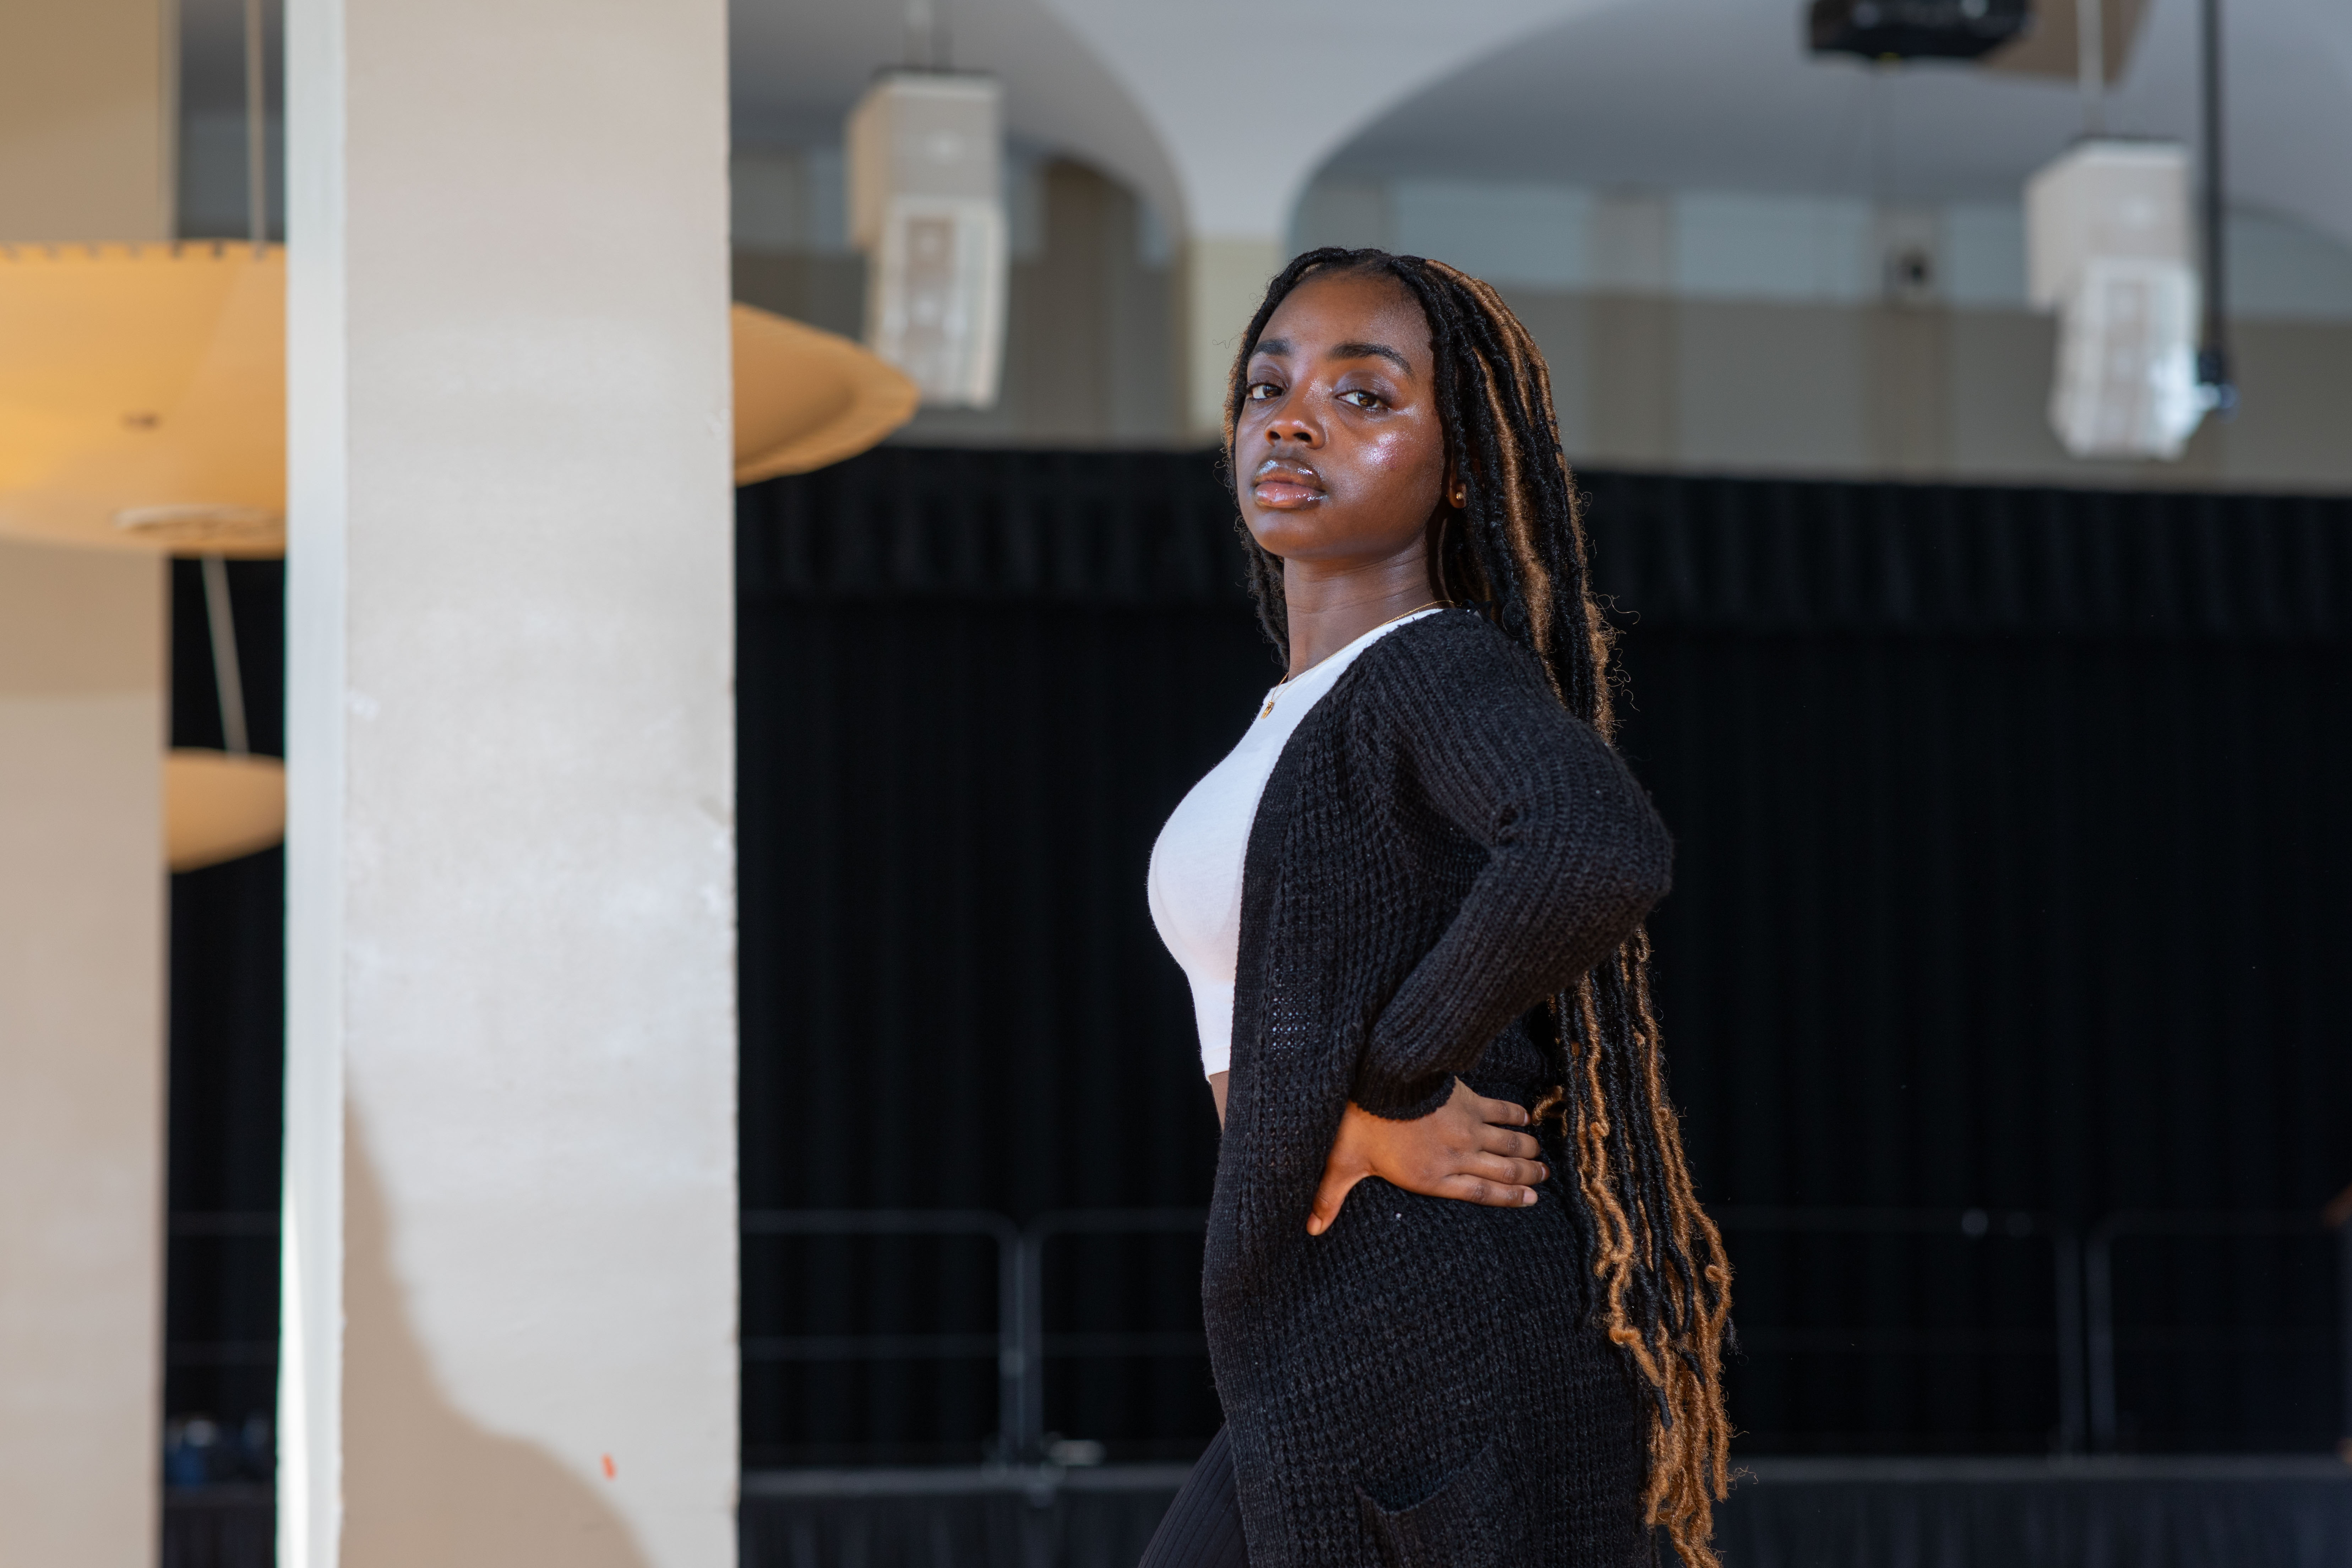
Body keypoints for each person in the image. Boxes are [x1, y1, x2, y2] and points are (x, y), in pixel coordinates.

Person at [1140, 250, 1732, 1568]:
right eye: (1268, 386)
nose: (1291, 420)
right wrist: (1333, 1130)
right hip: (1332, 1307)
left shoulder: (1432, 664)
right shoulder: (1296, 717)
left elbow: (1595, 843)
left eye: (1365, 397)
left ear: (1460, 465)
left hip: (1433, 1308)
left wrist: (1391, 1089)